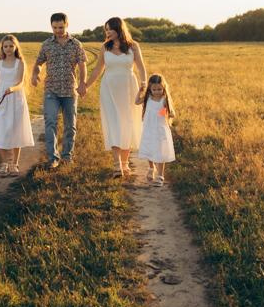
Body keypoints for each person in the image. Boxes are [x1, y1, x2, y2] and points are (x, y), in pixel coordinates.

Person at [82, 17, 147, 178]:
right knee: (114, 123)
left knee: (127, 123)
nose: (107, 32)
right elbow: (97, 70)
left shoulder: (133, 46)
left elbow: (141, 68)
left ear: (119, 28)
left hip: (128, 88)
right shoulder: (105, 47)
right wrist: (85, 86)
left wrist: (144, 85)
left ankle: (125, 164)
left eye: (110, 29)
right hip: (109, 88)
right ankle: (117, 165)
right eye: (106, 30)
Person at [31, 12, 88, 168]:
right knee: (50, 123)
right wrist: (35, 74)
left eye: (61, 27)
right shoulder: (46, 44)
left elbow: (82, 65)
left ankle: (67, 156)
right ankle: (53, 158)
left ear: (67, 25)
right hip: (51, 90)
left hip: (70, 91)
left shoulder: (76, 44)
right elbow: (38, 63)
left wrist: (83, 83)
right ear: (51, 26)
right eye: (55, 27)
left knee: (70, 125)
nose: (58, 30)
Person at [0, 34, 34, 176]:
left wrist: (12, 89)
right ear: (2, 48)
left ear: (16, 47)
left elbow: (21, 82)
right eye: (5, 46)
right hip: (1, 99)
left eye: (11, 46)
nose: (8, 49)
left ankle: (14, 163)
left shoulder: (19, 62)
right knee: (1, 130)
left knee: (16, 130)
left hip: (15, 98)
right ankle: (5, 164)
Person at [138, 73, 176, 186]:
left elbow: (172, 113)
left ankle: (160, 176)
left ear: (163, 88)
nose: (157, 91)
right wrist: (140, 91)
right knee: (149, 147)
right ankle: (151, 168)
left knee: (161, 150)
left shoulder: (164, 99)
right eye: (154, 89)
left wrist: (162, 113)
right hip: (149, 128)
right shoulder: (148, 98)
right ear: (150, 89)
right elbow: (136, 102)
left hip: (160, 128)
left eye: (159, 89)